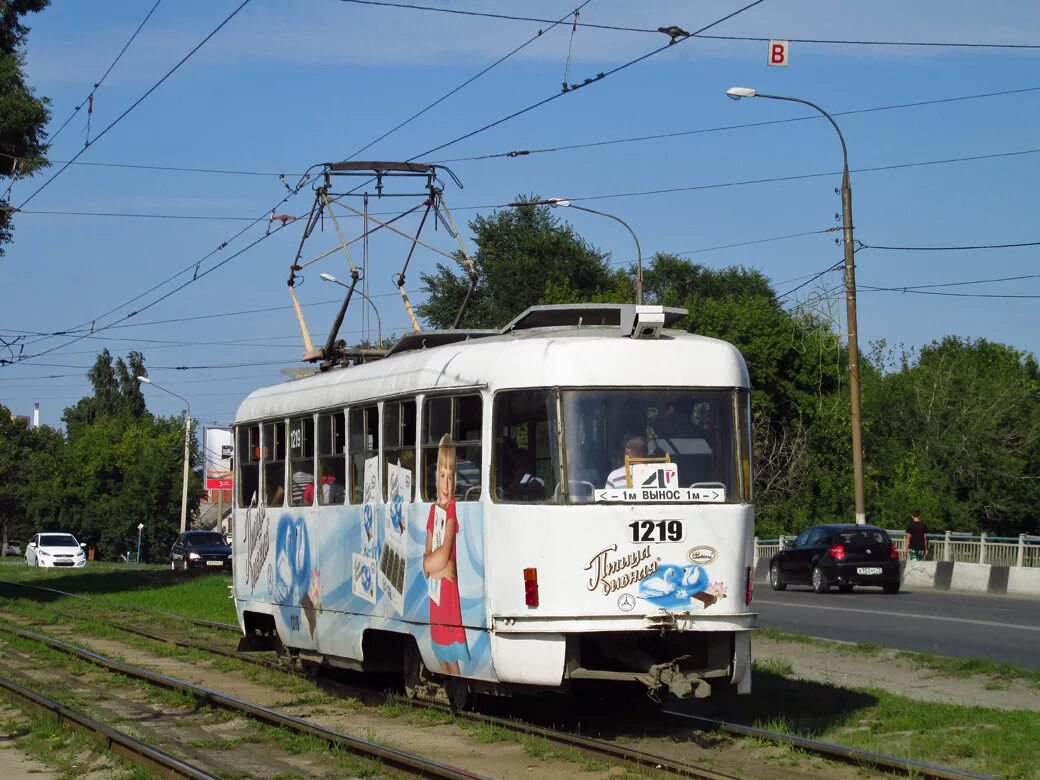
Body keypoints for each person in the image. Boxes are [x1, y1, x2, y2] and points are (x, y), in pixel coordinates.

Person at [422, 433, 470, 675]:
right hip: (437, 594)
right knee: (441, 655)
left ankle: (456, 690)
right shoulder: (433, 510)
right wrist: (440, 568)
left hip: (447, 596)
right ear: (436, 477)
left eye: (451, 478)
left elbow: (437, 557)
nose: (446, 485)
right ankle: (452, 692)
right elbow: (427, 562)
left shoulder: (452, 509)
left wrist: (436, 566)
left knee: (451, 657)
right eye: (442, 476)